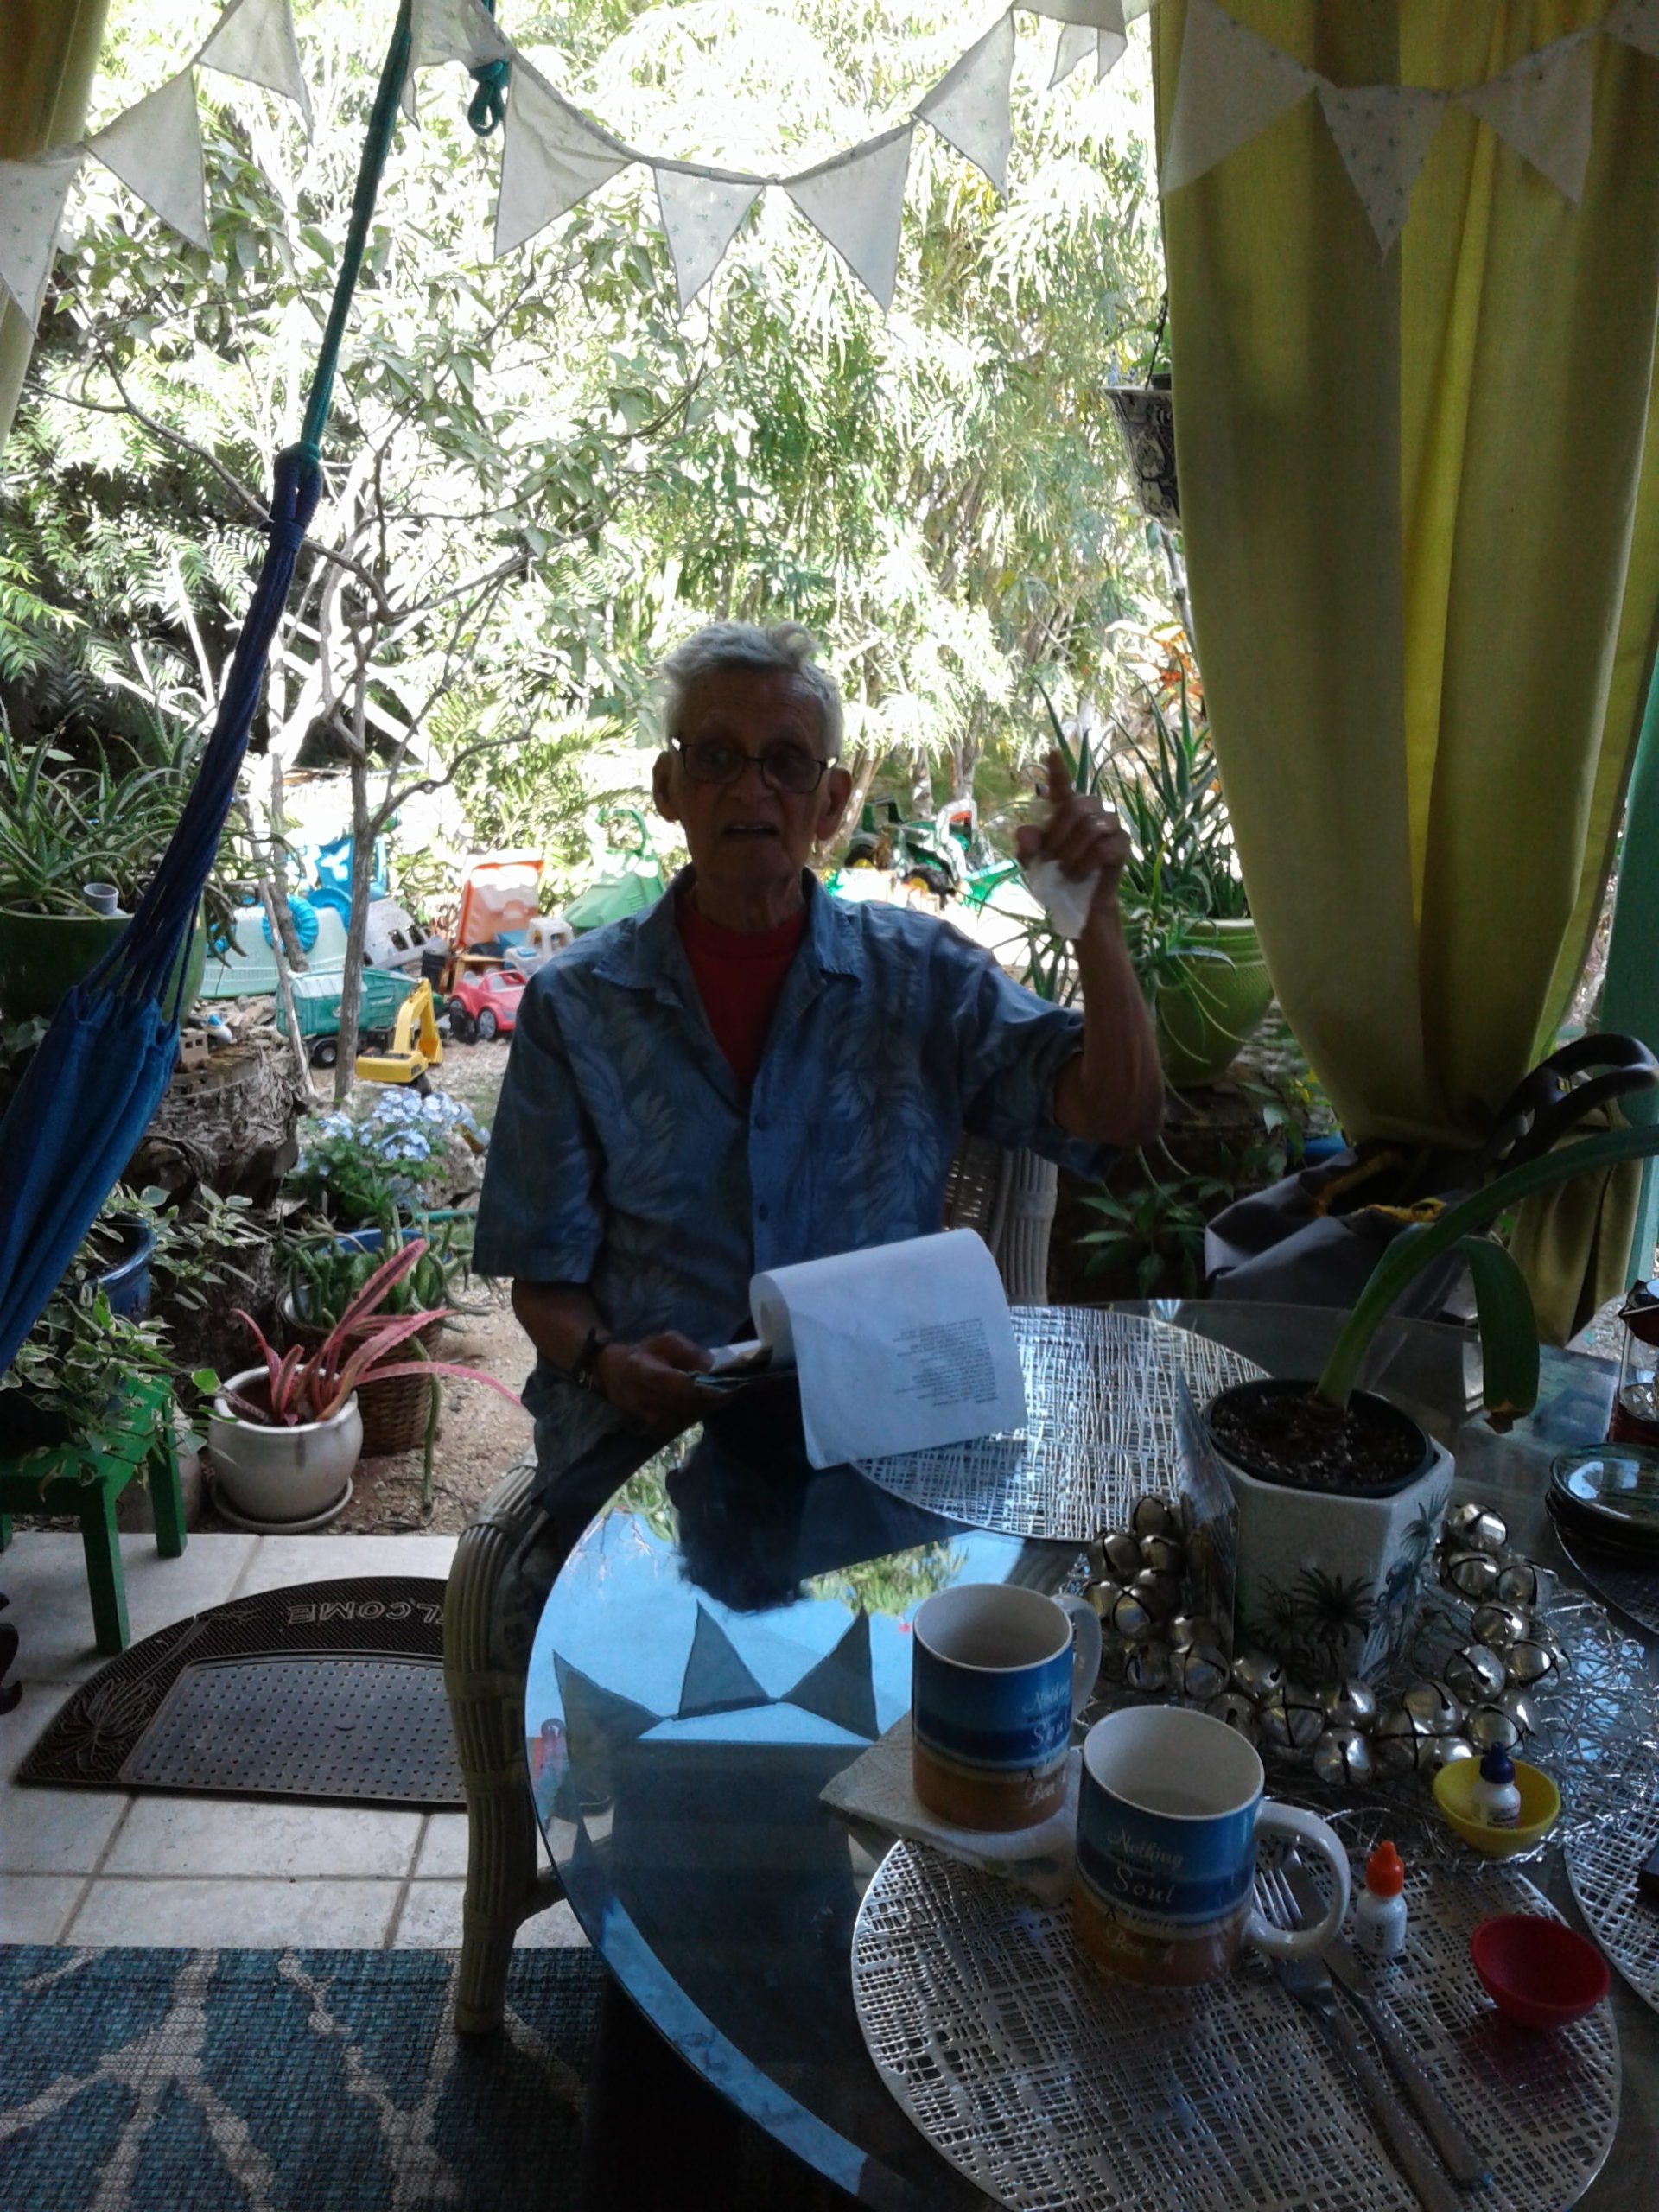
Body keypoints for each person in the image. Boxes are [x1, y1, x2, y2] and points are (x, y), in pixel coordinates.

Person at [473, 620, 1163, 1548]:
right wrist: (608, 1363)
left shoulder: (922, 976)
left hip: (883, 1432)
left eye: (787, 762)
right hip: (648, 1443)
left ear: (830, 801)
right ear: (669, 786)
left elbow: (1118, 1113)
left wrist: (1097, 924)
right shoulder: (577, 1006)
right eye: (717, 756)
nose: (750, 787)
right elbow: (543, 1284)